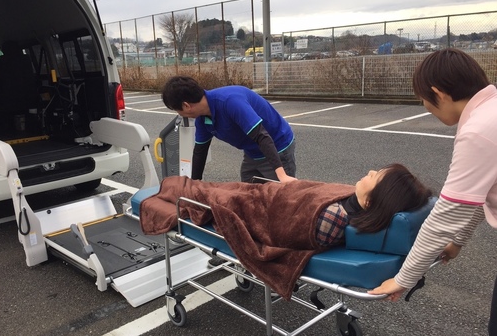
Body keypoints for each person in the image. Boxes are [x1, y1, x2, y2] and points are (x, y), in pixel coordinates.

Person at [368, 48, 497, 336]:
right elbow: (480, 194)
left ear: (439, 94)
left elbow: (446, 214)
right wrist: (458, 241)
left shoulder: (479, 130)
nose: (425, 107)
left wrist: (403, 279)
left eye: (423, 100)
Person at [161, 76, 297, 183]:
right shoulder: (202, 119)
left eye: (178, 110)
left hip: (277, 148)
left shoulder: (230, 102)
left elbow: (261, 136)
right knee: (247, 195)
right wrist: (194, 184)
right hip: (252, 152)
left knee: (279, 199)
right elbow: (200, 151)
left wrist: (282, 175)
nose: (180, 115)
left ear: (186, 105)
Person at [313, 163, 431, 246]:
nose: (370, 171)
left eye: (373, 177)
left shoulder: (332, 217)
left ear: (369, 202)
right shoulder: (355, 197)